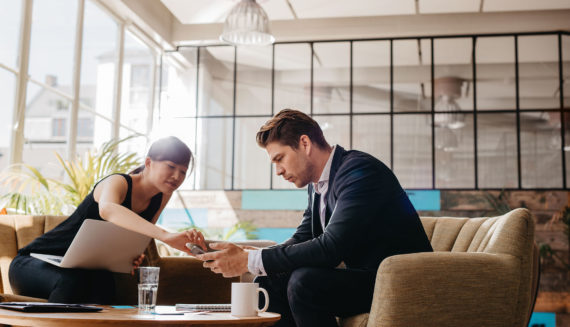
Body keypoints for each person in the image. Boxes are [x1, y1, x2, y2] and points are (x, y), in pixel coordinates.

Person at [195, 109, 433, 327]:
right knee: (270, 281)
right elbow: (304, 236)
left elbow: (331, 247)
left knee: (305, 282)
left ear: (305, 143)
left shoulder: (359, 172)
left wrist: (250, 260)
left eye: (279, 158)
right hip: (368, 279)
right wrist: (253, 255)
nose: (277, 170)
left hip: (400, 281)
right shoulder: (317, 185)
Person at [9, 136, 207, 304]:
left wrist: (130, 255)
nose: (176, 176)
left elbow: (139, 234)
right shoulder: (118, 182)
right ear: (148, 163)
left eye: (183, 171)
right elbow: (108, 210)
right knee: (71, 281)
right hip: (32, 263)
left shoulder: (162, 195)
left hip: (83, 269)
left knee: (106, 286)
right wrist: (166, 236)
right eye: (171, 166)